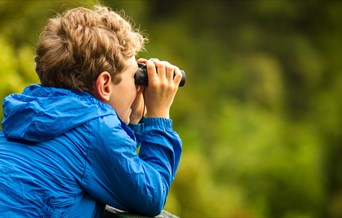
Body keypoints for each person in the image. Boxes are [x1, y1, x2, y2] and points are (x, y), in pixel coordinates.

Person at [0, 5, 183, 217]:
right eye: (135, 77)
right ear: (105, 84)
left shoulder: (32, 112)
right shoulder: (94, 127)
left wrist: (134, 119)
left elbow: (117, 169)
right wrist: (159, 116)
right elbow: (151, 194)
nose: (138, 85)